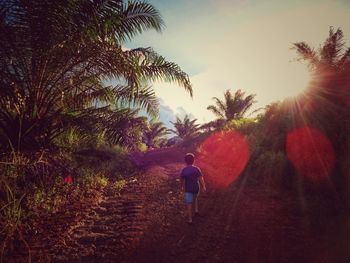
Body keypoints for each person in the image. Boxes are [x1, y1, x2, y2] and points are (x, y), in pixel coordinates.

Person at [180, 153, 206, 224]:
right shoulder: (196, 169)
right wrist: (203, 186)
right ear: (193, 160)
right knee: (195, 198)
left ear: (185, 161)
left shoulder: (184, 170)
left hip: (188, 189)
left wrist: (181, 187)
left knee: (189, 203)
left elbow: (182, 180)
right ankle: (196, 211)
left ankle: (190, 219)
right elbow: (201, 178)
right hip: (196, 187)